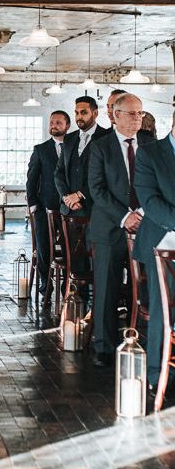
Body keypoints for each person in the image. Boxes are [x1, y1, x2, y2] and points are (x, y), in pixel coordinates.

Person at [88, 94, 150, 367]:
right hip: (110, 227)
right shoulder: (100, 147)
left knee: (147, 288)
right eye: (132, 113)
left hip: (147, 227)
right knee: (106, 286)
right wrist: (124, 216)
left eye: (140, 113)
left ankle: (146, 341)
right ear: (115, 114)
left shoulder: (150, 144)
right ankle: (103, 346)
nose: (138, 118)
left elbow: (158, 182)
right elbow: (97, 189)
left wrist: (143, 214)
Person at [133, 109, 175, 393]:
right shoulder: (150, 154)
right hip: (162, 242)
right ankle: (156, 372)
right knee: (165, 307)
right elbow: (150, 200)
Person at [26, 110, 70, 304]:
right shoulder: (41, 149)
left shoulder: (75, 147)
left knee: (71, 248)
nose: (54, 125)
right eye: (52, 122)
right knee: (44, 246)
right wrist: (33, 205)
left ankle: (67, 285)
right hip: (44, 208)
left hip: (69, 209)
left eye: (59, 122)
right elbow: (31, 179)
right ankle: (46, 284)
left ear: (67, 126)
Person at [54, 95, 108, 217]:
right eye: (76, 113)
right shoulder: (68, 138)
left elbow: (105, 176)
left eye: (84, 113)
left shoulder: (106, 137)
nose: (79, 117)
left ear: (95, 113)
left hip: (95, 210)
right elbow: (59, 173)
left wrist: (79, 195)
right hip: (69, 210)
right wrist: (67, 198)